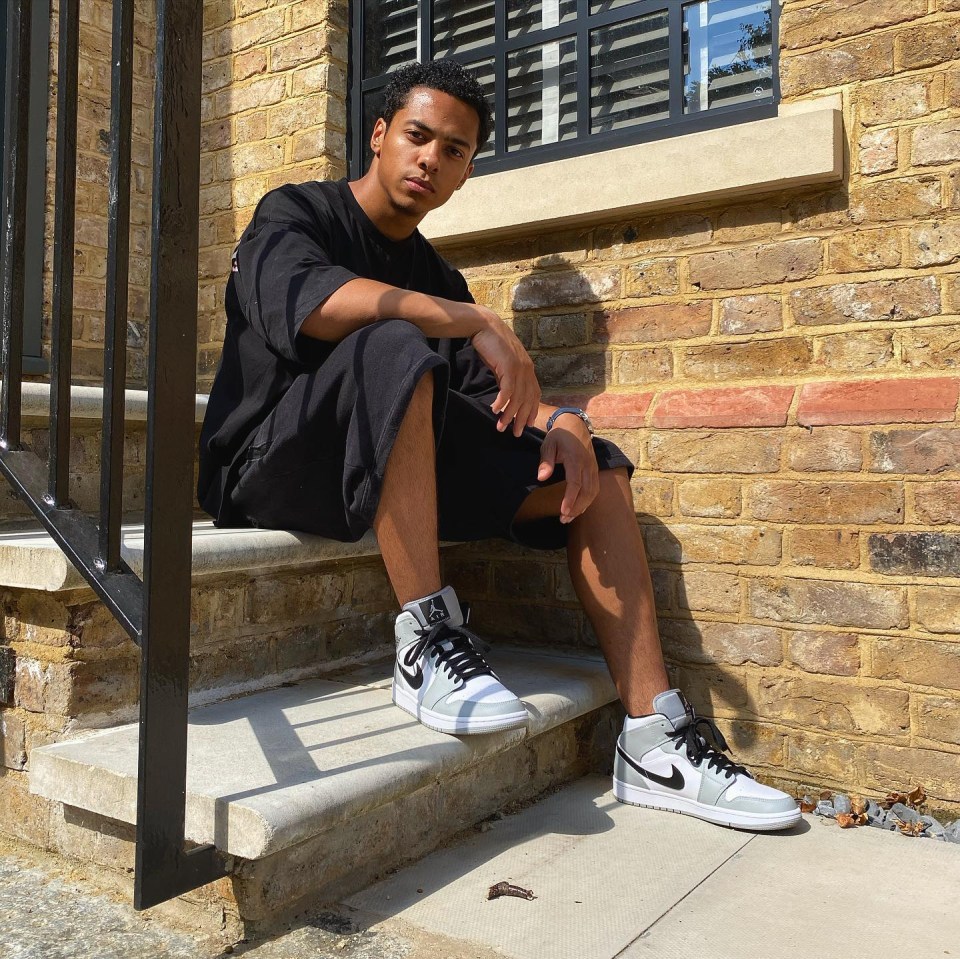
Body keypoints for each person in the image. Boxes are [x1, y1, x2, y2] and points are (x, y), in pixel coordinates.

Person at [198, 59, 800, 833]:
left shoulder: (437, 274)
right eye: (417, 136)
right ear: (380, 136)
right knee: (391, 341)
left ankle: (653, 737)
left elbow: (492, 406)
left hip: (376, 469)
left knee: (599, 468)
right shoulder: (294, 213)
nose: (430, 160)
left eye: (453, 151)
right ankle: (427, 635)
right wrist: (477, 320)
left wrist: (567, 422)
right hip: (267, 464)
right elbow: (316, 309)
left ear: (465, 171)